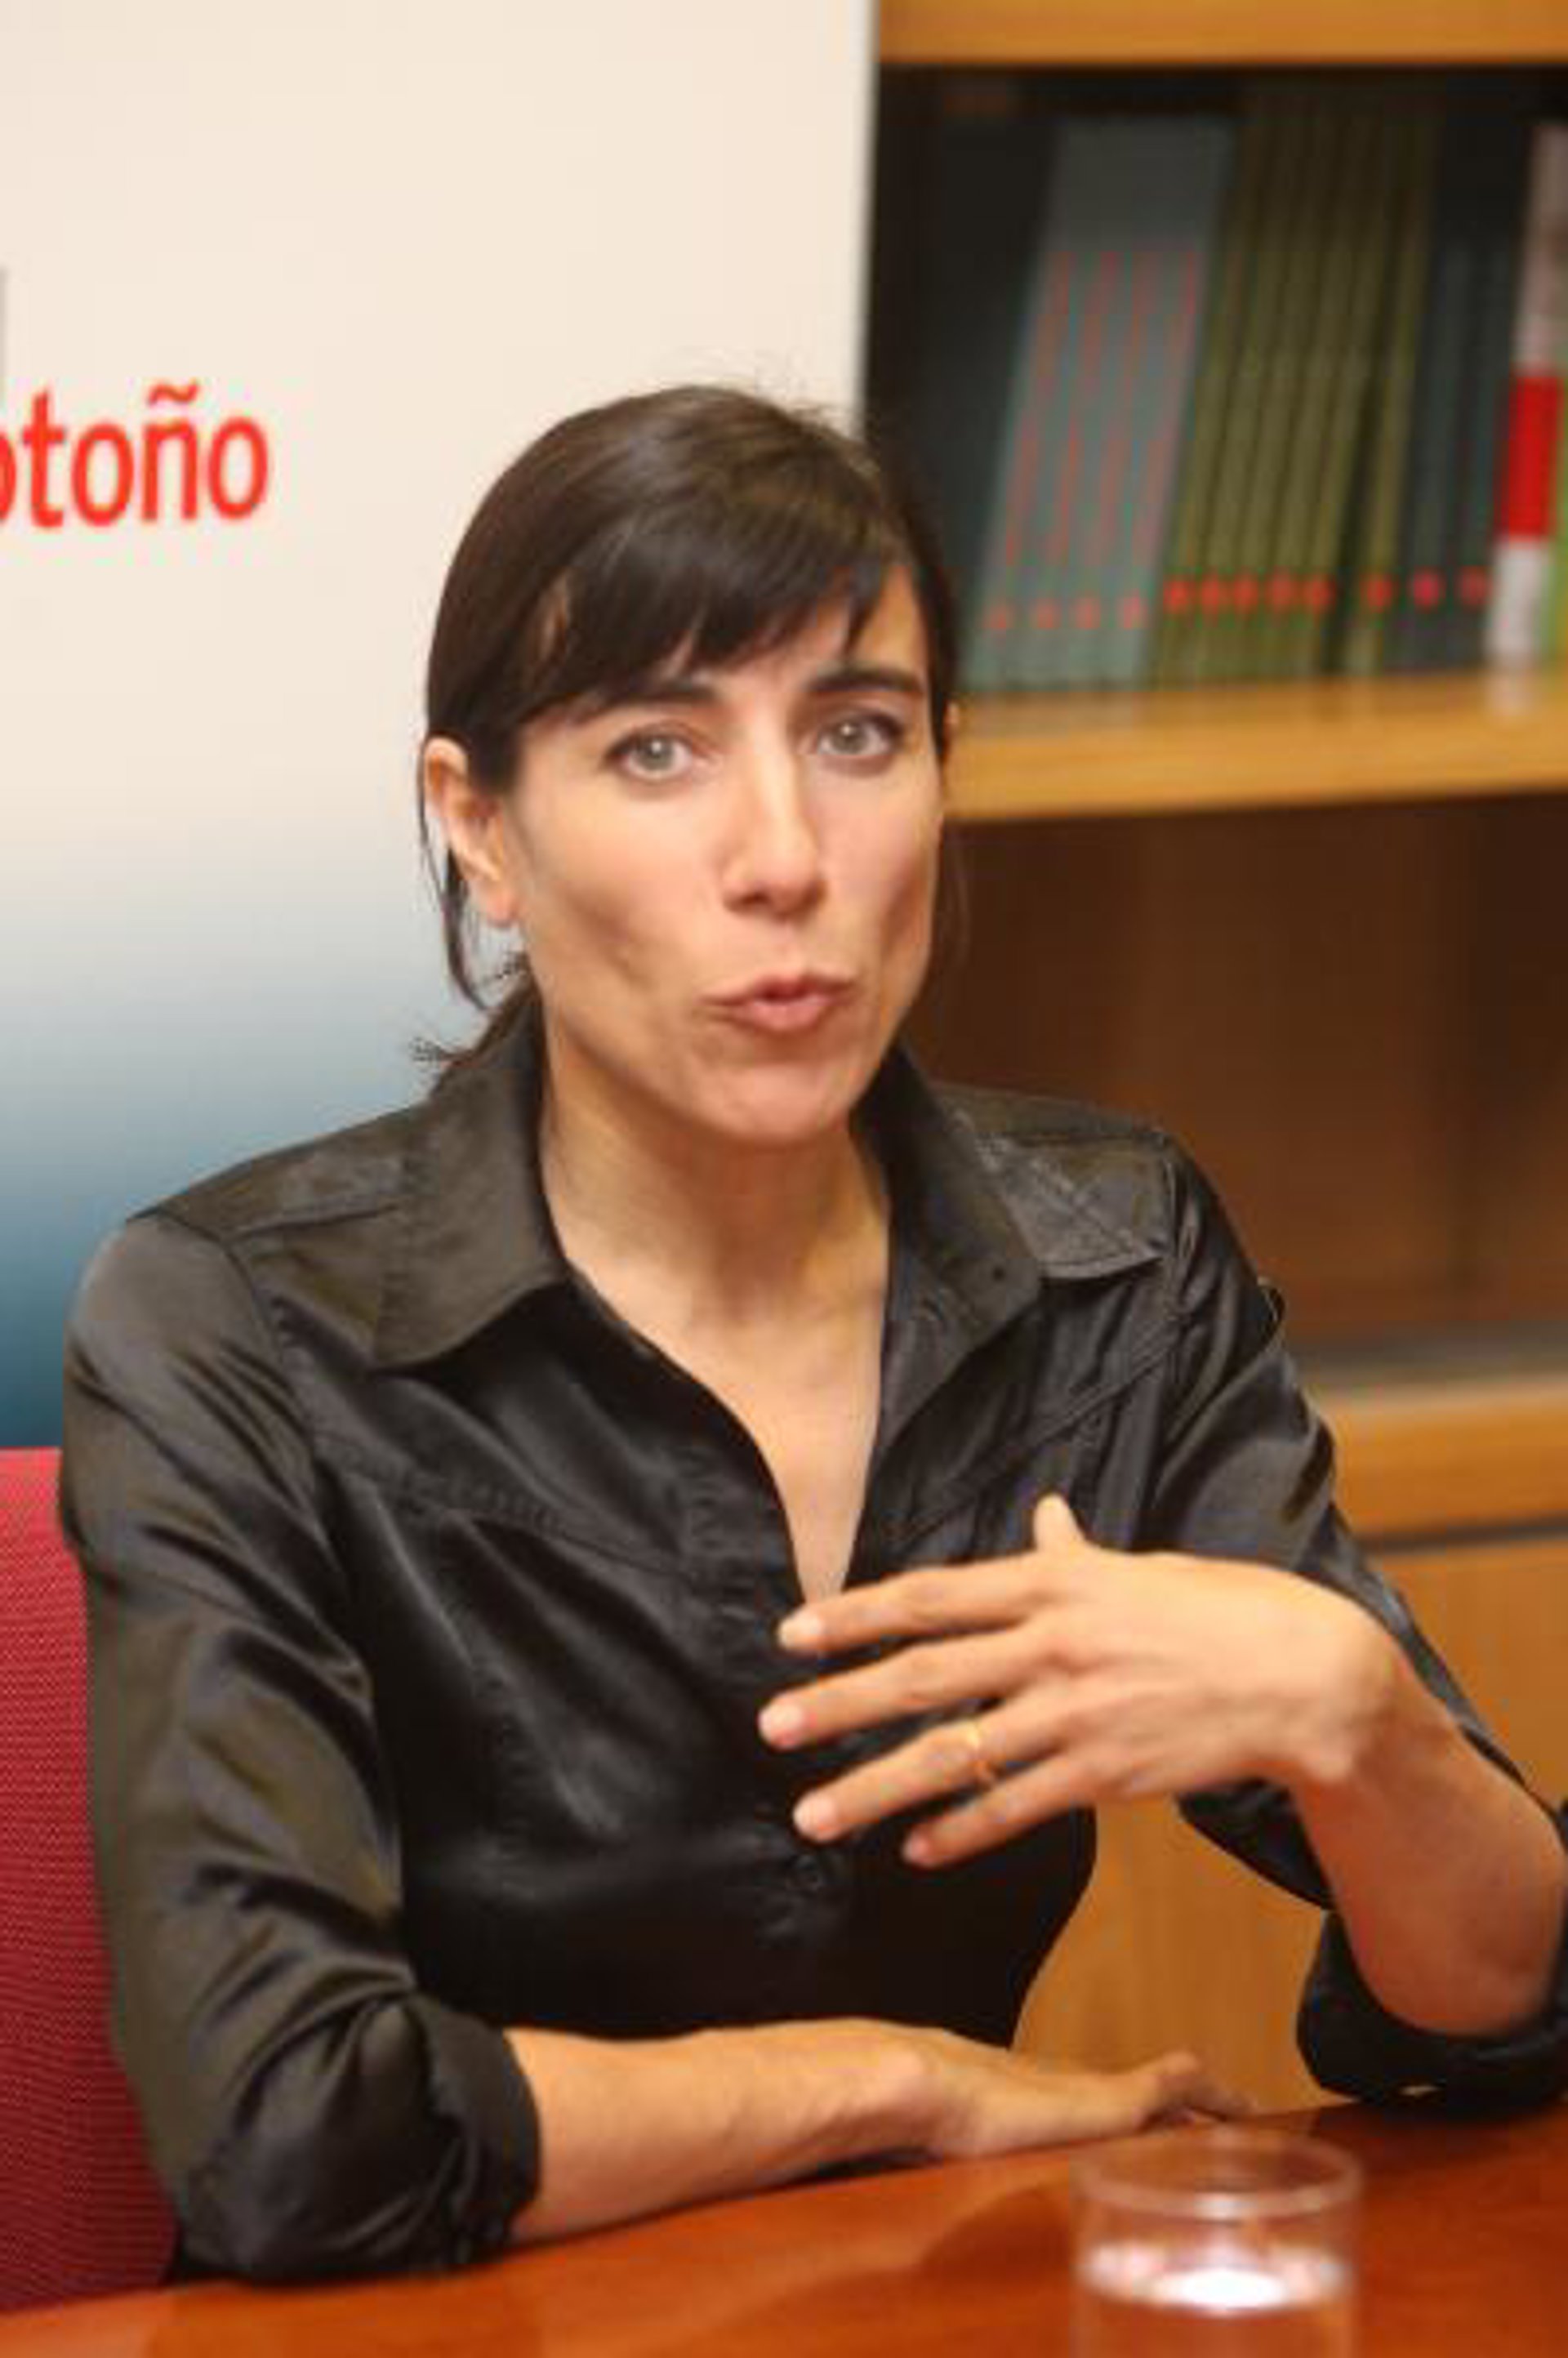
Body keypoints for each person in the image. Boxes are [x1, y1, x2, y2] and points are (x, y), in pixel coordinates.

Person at [62, 384, 1568, 2285]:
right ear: (481, 828)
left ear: (947, 764)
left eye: (858, 734)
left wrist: (1367, 1729)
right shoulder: (234, 1319)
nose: (786, 855)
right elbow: (287, 2134)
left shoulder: (1113, 1260)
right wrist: (891, 2083)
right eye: (658, 749)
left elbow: (1503, 2010)